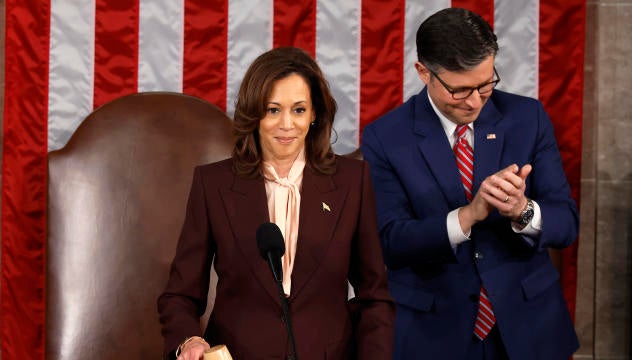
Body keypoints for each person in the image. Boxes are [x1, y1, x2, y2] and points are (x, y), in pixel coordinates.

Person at [361, 7, 579, 360]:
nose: (475, 101)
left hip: (529, 327)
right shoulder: (385, 137)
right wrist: (467, 216)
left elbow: (567, 224)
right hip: (434, 333)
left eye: (485, 84)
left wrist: (523, 211)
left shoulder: (528, 118)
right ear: (423, 72)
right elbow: (390, 241)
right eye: (460, 90)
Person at [158, 46, 395, 360]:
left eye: (298, 110)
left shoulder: (353, 181)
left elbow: (375, 297)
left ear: (315, 114)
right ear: (254, 113)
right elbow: (180, 295)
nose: (287, 124)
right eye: (272, 110)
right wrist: (188, 340)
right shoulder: (213, 184)